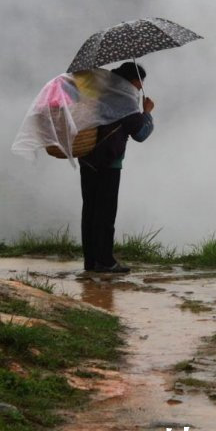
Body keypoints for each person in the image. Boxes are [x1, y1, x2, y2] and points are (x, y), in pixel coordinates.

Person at [78, 62, 154, 273]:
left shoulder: (101, 92)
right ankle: (105, 261)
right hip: (108, 163)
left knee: (90, 211)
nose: (141, 86)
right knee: (105, 212)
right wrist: (146, 112)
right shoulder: (125, 99)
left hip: (87, 159)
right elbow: (141, 133)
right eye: (140, 81)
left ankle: (91, 261)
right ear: (132, 80)